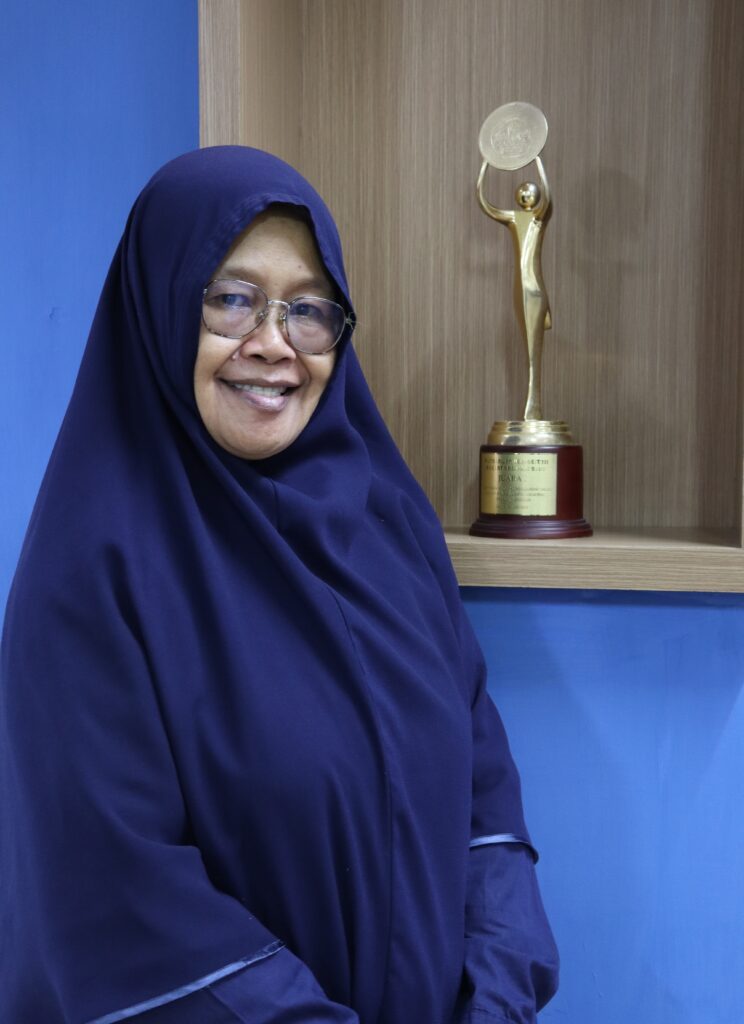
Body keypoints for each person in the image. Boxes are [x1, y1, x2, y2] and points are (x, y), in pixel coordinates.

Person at [0, 146, 559, 1024]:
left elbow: (485, 801)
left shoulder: (389, 529)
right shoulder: (93, 580)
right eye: (231, 299)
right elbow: (120, 905)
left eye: (308, 308)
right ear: (161, 306)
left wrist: (497, 1000)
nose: (273, 343)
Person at [477, 156, 553, 421]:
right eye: (522, 192)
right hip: (519, 288)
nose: (525, 195)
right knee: (527, 342)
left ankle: (534, 405)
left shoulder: (539, 218)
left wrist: (536, 157)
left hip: (535, 286)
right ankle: (532, 405)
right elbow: (484, 202)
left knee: (534, 348)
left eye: (530, 192)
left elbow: (548, 195)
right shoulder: (513, 218)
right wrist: (487, 161)